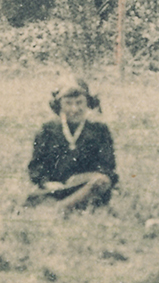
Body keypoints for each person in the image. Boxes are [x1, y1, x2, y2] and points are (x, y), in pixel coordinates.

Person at [26, 77, 117, 211]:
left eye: (79, 102)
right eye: (68, 103)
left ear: (87, 103)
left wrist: (82, 178)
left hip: (86, 189)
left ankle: (60, 209)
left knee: (102, 182)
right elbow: (36, 166)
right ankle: (62, 207)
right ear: (59, 105)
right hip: (56, 189)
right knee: (39, 198)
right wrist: (46, 183)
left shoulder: (99, 130)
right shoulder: (47, 130)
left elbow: (108, 167)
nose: (74, 109)